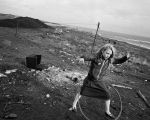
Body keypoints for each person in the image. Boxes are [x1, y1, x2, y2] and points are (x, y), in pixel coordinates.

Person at [69, 44, 130, 119]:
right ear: (103, 51)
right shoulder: (96, 57)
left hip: (99, 81)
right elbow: (87, 56)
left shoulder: (110, 60)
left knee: (107, 95)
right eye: (107, 53)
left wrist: (126, 58)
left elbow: (119, 61)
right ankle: (74, 105)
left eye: (110, 54)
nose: (108, 55)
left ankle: (107, 112)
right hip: (90, 80)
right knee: (81, 92)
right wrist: (82, 58)